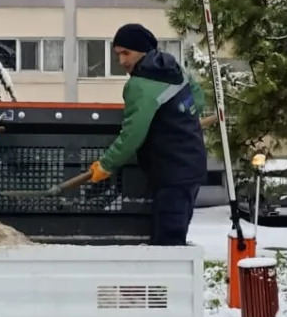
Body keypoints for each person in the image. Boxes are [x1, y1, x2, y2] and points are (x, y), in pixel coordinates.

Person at [88, 24, 208, 245]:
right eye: (118, 55)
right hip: (192, 165)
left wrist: (106, 165)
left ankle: (166, 280)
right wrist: (180, 120)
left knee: (167, 244)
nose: (122, 61)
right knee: (176, 234)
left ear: (143, 50)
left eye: (126, 53)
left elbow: (132, 133)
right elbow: (198, 100)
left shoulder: (139, 85)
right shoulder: (173, 68)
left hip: (173, 172)